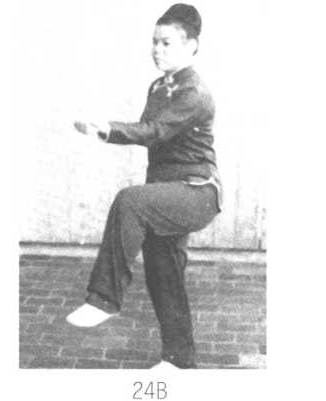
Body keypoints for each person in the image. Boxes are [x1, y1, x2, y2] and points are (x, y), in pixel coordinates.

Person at [67, 3, 221, 369]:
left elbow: (153, 132)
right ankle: (180, 359)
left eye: (166, 43)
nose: (157, 50)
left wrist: (105, 127)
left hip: (197, 192)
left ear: (192, 46)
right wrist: (104, 131)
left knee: (130, 201)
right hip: (168, 193)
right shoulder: (160, 87)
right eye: (154, 42)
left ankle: (104, 298)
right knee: (163, 270)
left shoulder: (194, 92)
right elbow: (150, 136)